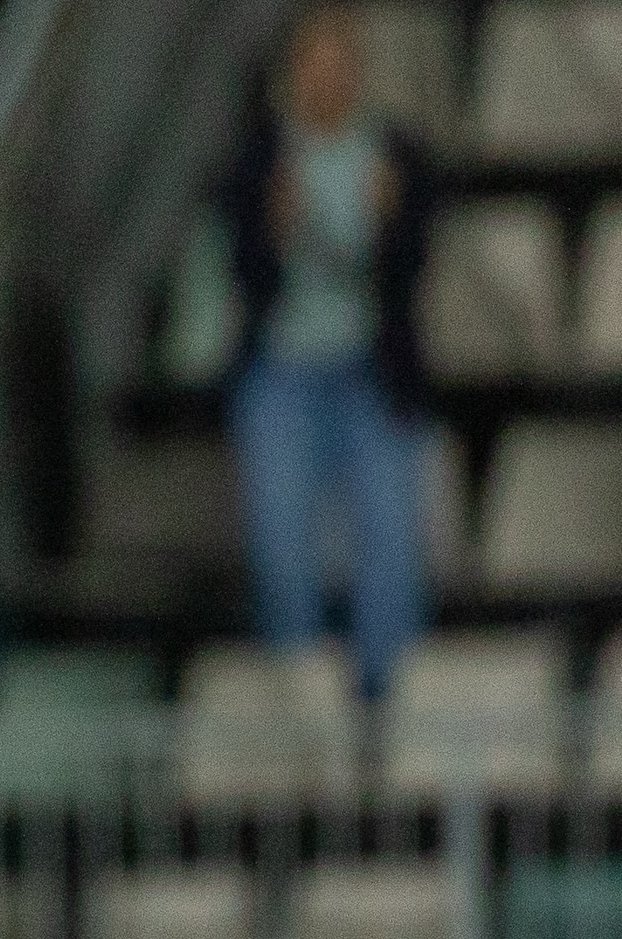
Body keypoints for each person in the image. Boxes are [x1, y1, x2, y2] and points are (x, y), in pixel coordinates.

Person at [219, 0, 434, 700]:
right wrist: (275, 232)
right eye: (317, 67)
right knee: (282, 552)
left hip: (371, 375)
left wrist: (387, 224)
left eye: (342, 67)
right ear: (293, 74)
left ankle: (383, 700)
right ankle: (305, 698)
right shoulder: (261, 161)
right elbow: (243, 276)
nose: (329, 81)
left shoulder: (396, 157)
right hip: (285, 374)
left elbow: (413, 274)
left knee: (393, 546)